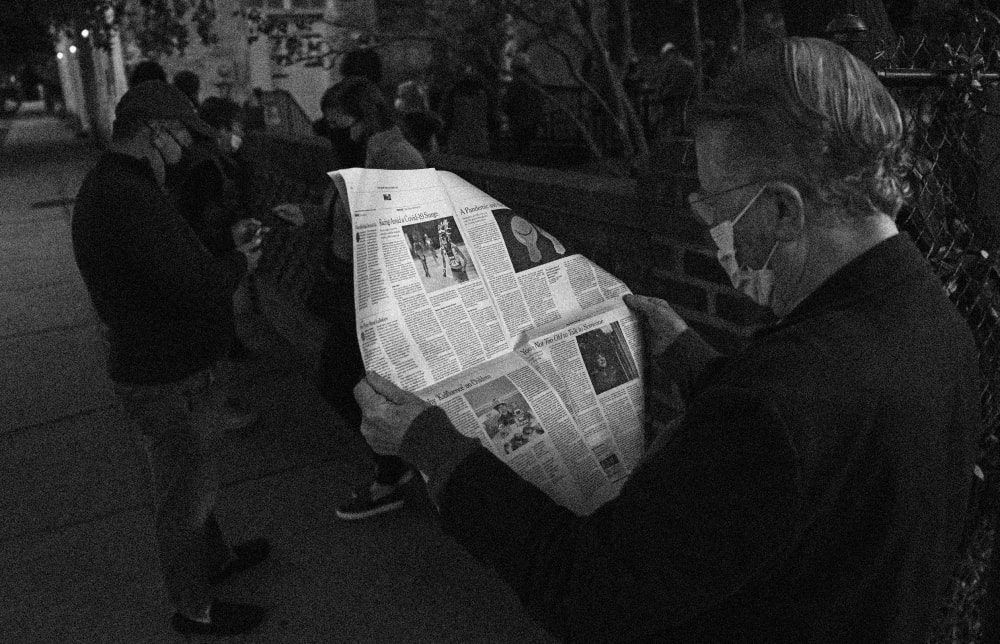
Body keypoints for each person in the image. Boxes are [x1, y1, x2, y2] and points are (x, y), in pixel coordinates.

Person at [352, 37, 981, 642]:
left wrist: (432, 444)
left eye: (715, 202)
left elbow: (586, 590)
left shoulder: (778, 403)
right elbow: (817, 466)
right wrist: (691, 358)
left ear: (784, 211)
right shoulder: (931, 317)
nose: (708, 224)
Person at [70, 81, 270, 637]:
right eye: (182, 134)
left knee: (193, 479)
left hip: (171, 363)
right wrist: (239, 263)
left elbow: (169, 262)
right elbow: (187, 284)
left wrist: (224, 242)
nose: (187, 146)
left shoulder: (124, 185)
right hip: (164, 372)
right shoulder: (124, 195)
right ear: (154, 131)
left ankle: (218, 560)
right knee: (184, 495)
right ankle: (194, 609)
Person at [277, 76, 426, 520]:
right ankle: (396, 467)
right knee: (348, 380)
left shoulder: (397, 159)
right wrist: (306, 216)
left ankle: (394, 472)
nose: (331, 131)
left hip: (377, 296)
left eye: (337, 122)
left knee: (351, 381)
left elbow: (411, 227)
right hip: (353, 291)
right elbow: (341, 215)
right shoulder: (361, 156)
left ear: (363, 120)